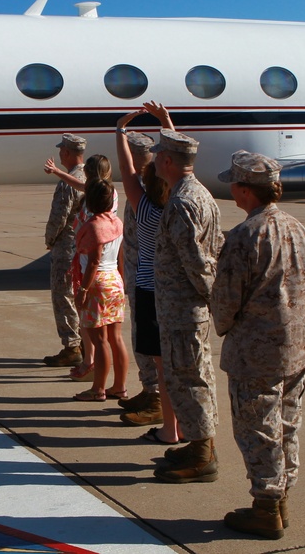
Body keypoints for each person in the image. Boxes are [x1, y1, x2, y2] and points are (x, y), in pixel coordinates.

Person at [212, 151, 305, 540]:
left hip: (256, 351)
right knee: (287, 424)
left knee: (258, 429)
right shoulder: (298, 229)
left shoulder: (242, 238)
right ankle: (281, 497)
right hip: (296, 345)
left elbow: (225, 303)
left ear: (244, 190)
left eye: (234, 185)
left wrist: (223, 326)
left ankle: (266, 506)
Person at [149, 114, 225, 483]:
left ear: (167, 161)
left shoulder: (181, 202)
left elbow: (195, 262)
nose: (152, 161)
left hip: (183, 309)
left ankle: (202, 455)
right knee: (191, 377)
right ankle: (198, 444)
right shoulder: (200, 194)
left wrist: (211, 300)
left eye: (156, 155)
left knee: (190, 379)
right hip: (185, 308)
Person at [115, 108, 177, 440]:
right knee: (145, 341)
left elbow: (125, 169)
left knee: (153, 346)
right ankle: (150, 390)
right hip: (143, 276)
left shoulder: (148, 198)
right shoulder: (168, 195)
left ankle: (157, 401)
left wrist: (119, 129)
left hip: (149, 281)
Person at [44, 153, 118, 380]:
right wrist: (58, 172)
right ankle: (110, 379)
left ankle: (91, 370)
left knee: (91, 329)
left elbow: (94, 259)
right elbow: (79, 185)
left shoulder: (95, 220)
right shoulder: (110, 194)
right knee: (110, 335)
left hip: (93, 273)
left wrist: (83, 289)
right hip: (111, 272)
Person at [72, 178, 127, 402]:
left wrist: (83, 289)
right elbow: (121, 255)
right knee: (116, 338)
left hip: (98, 282)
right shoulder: (117, 222)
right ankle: (120, 386)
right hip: (114, 279)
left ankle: (98, 389)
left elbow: (94, 261)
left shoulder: (95, 225)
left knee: (100, 340)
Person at [42, 134, 86, 367]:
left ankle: (71, 346)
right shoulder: (89, 176)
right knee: (79, 295)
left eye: (62, 151)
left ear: (66, 153)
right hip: (84, 245)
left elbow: (59, 216)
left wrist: (49, 239)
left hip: (66, 246)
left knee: (63, 296)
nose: (60, 154)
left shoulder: (68, 182)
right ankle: (85, 342)